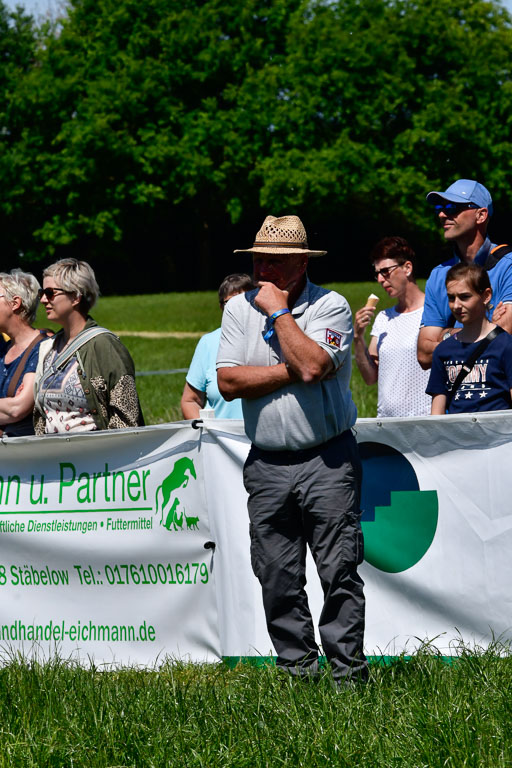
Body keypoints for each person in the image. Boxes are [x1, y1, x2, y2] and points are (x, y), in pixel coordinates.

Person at [217, 215, 367, 685]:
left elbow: (316, 364)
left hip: (327, 459)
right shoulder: (238, 308)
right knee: (276, 574)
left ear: (301, 262)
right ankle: (297, 672)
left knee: (338, 570)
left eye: (276, 261)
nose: (264, 269)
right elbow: (228, 381)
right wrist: (294, 370)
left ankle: (347, 677)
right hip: (267, 463)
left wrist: (280, 313)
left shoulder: (332, 305)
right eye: (259, 259)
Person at [34, 258, 144, 433]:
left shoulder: (104, 345)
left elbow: (127, 417)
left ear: (76, 296)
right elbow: (41, 416)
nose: (43, 300)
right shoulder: (48, 347)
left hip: (95, 457)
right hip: (52, 458)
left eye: (50, 292)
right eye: (42, 293)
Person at [417, 178, 512, 369]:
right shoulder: (438, 275)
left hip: (499, 395)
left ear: (481, 215)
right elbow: (424, 354)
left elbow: (505, 337)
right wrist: (485, 327)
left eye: (452, 208)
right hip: (454, 397)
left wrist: (445, 335)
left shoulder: (508, 265)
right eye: (439, 209)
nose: (442, 214)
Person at [353, 237, 431, 417]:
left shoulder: (433, 313)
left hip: (426, 422)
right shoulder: (383, 318)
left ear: (407, 268)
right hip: (387, 424)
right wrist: (358, 337)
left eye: (386, 271)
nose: (380, 279)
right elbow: (370, 377)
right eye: (378, 273)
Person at [427, 263, 512, 414]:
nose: (456, 305)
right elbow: (436, 415)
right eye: (451, 298)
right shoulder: (443, 350)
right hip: (456, 436)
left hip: (500, 436)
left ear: (486, 296)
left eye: (464, 297)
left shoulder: (505, 344)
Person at [181, 273, 253, 419]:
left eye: (244, 301)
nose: (238, 308)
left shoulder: (270, 336)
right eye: (231, 303)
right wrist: (207, 434)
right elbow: (190, 400)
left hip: (263, 439)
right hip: (220, 440)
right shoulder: (208, 342)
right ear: (221, 307)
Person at [0, 270, 48, 436]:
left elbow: (17, 409)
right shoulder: (3, 349)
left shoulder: (42, 348)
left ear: (15, 303)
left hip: (24, 456)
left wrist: (11, 405)